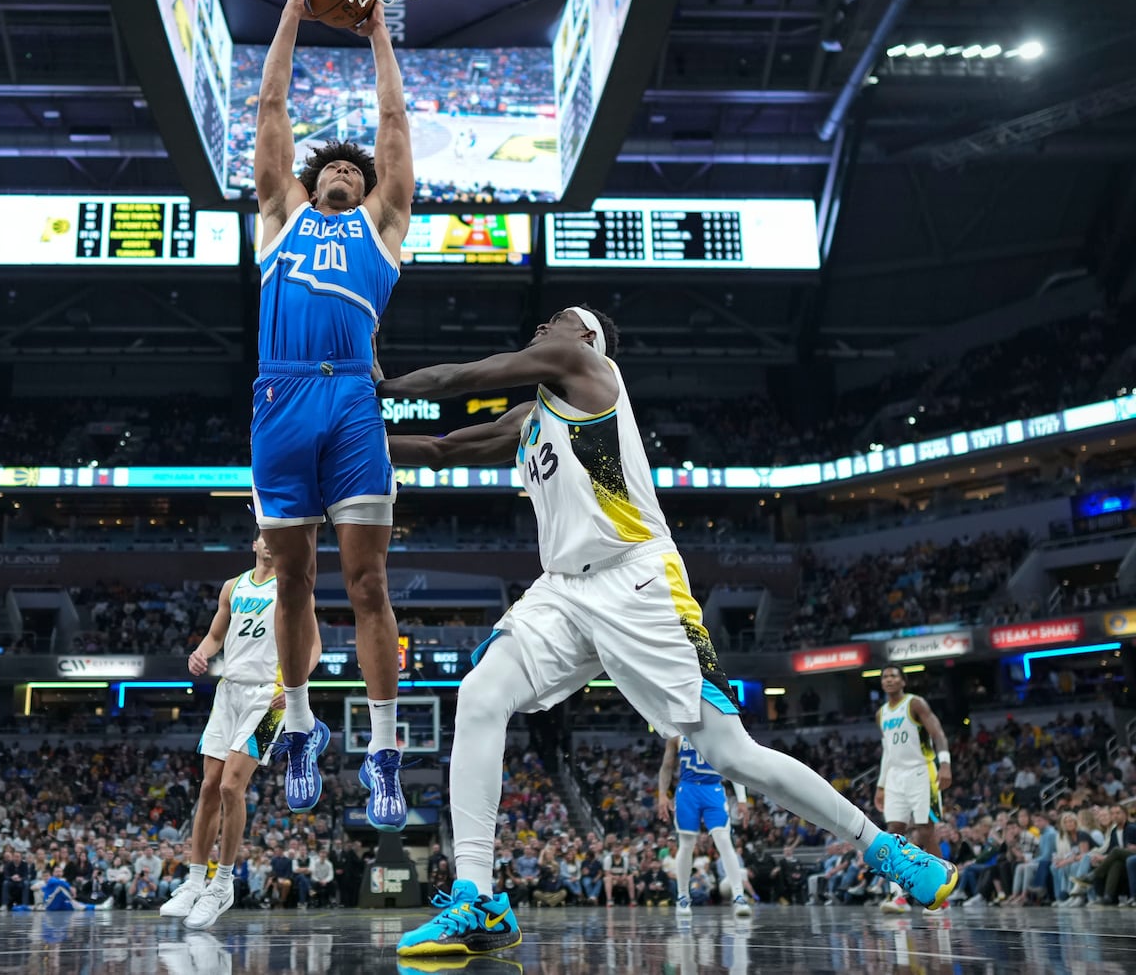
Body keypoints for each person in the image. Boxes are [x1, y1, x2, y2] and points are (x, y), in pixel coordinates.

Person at [384, 308, 958, 956]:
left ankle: (883, 847)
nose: (546, 324)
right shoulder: (531, 417)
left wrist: (379, 386)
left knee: (731, 753)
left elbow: (462, 375)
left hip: (638, 581)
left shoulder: (589, 371)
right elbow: (440, 449)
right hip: (564, 589)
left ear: (589, 339)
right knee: (479, 693)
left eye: (561, 319)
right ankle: (476, 897)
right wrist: (351, 437)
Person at [251, 0, 414, 829]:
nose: (346, 172)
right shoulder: (282, 214)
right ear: (313, 185)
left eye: (357, 170)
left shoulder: (382, 229)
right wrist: (290, 10)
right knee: (291, 581)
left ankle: (385, 749)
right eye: (334, 169)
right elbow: (272, 110)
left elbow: (391, 119)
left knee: (369, 584)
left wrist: (379, 28)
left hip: (351, 400)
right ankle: (303, 723)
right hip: (279, 401)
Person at [159, 535, 319, 931]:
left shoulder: (294, 584)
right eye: (265, 539)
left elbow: (313, 644)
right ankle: (195, 881)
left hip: (269, 695)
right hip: (229, 691)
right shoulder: (233, 586)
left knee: (232, 788)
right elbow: (216, 635)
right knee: (209, 787)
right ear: (254, 543)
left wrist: (296, 686)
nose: (271, 545)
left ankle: (223, 883)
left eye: (277, 540)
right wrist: (201, 652)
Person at [873, 664, 952, 914]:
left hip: (921, 771)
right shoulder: (881, 713)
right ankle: (897, 896)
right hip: (896, 775)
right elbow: (888, 751)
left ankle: (941, 891)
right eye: (885, 676)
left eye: (893, 676)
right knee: (893, 834)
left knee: (926, 831)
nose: (889, 679)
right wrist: (881, 784)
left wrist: (945, 764)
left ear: (903, 681)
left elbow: (938, 733)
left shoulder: (915, 703)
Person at [657, 736, 753, 918]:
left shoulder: (718, 731)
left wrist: (741, 799)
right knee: (686, 844)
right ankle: (683, 897)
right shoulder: (677, 733)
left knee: (724, 842)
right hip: (688, 790)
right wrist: (662, 794)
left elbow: (733, 766)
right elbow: (667, 765)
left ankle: (739, 895)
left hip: (713, 789)